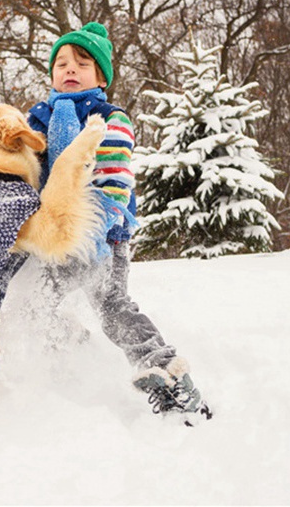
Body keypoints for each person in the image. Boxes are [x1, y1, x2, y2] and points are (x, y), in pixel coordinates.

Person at [25, 22, 212, 425]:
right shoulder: (37, 119)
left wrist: (102, 226)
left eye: (82, 63)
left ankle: (168, 373)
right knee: (35, 305)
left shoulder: (108, 116)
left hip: (103, 236)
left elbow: (115, 176)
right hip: (56, 237)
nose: (69, 68)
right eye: (60, 63)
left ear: (101, 76)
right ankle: (68, 359)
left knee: (112, 306)